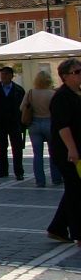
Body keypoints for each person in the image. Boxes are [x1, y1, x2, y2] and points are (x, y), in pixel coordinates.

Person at [47, 58, 81, 247]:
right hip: (67, 151)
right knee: (76, 190)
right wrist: (72, 149)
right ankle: (77, 233)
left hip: (76, 149)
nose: (80, 74)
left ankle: (57, 227)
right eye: (76, 72)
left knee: (74, 189)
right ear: (65, 76)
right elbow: (63, 126)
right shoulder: (62, 97)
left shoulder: (77, 93)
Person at [22, 70, 61, 188]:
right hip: (50, 123)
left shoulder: (31, 93)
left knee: (37, 154)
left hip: (34, 124)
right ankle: (56, 178)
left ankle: (40, 181)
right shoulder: (52, 93)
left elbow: (22, 107)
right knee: (53, 153)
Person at [0, 65, 27, 180]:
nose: (3, 76)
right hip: (0, 123)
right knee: (2, 148)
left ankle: (19, 172)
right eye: (2, 74)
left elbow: (23, 107)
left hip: (14, 122)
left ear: (11, 76)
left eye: (5, 74)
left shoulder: (19, 90)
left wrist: (22, 123)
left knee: (17, 148)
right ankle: (3, 171)